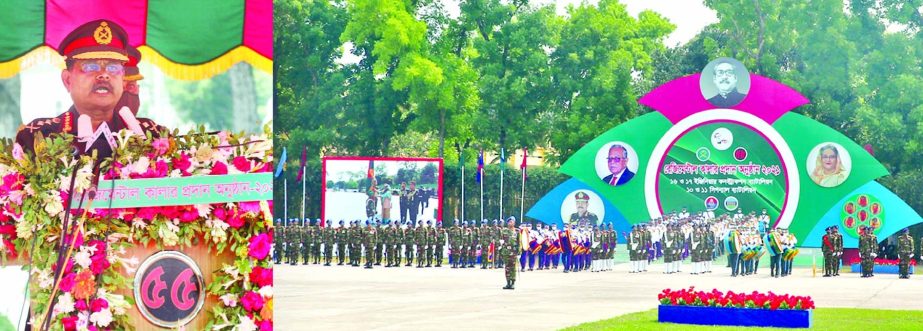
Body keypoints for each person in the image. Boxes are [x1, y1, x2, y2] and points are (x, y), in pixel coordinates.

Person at [16, 20, 165, 158]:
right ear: (67, 80)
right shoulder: (38, 136)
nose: (104, 75)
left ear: (123, 78)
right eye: (90, 67)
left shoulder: (152, 135)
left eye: (113, 68)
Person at [501, 217, 520, 290]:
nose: (510, 223)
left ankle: (513, 283)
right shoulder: (504, 231)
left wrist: (519, 253)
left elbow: (519, 242)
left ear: (514, 223)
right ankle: (508, 283)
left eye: (511, 222)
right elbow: (501, 240)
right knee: (507, 268)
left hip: (514, 252)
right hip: (506, 252)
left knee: (513, 268)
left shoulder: (517, 231)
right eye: (509, 222)